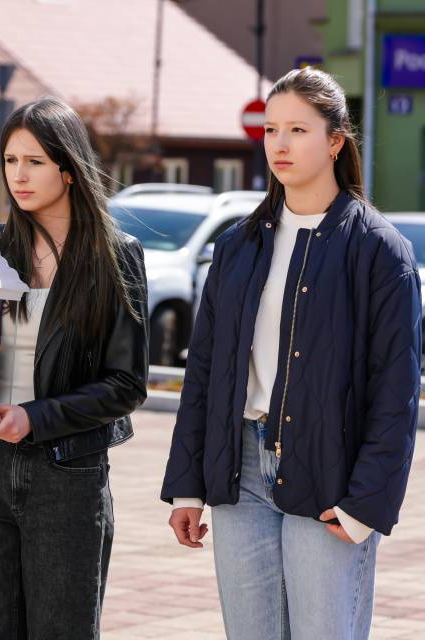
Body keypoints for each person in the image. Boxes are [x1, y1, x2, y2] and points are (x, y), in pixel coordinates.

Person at [161, 67, 421, 639]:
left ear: (335, 142)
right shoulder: (238, 246)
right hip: (241, 473)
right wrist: (188, 484)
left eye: (298, 130)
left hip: (331, 474)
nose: (280, 143)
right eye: (272, 129)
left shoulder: (379, 250)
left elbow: (396, 391)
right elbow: (204, 370)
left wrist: (366, 505)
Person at [0, 96, 148, 640]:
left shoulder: (115, 255)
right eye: (10, 161)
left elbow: (126, 384)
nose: (18, 176)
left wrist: (34, 417)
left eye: (34, 161)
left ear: (68, 169)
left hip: (67, 474)